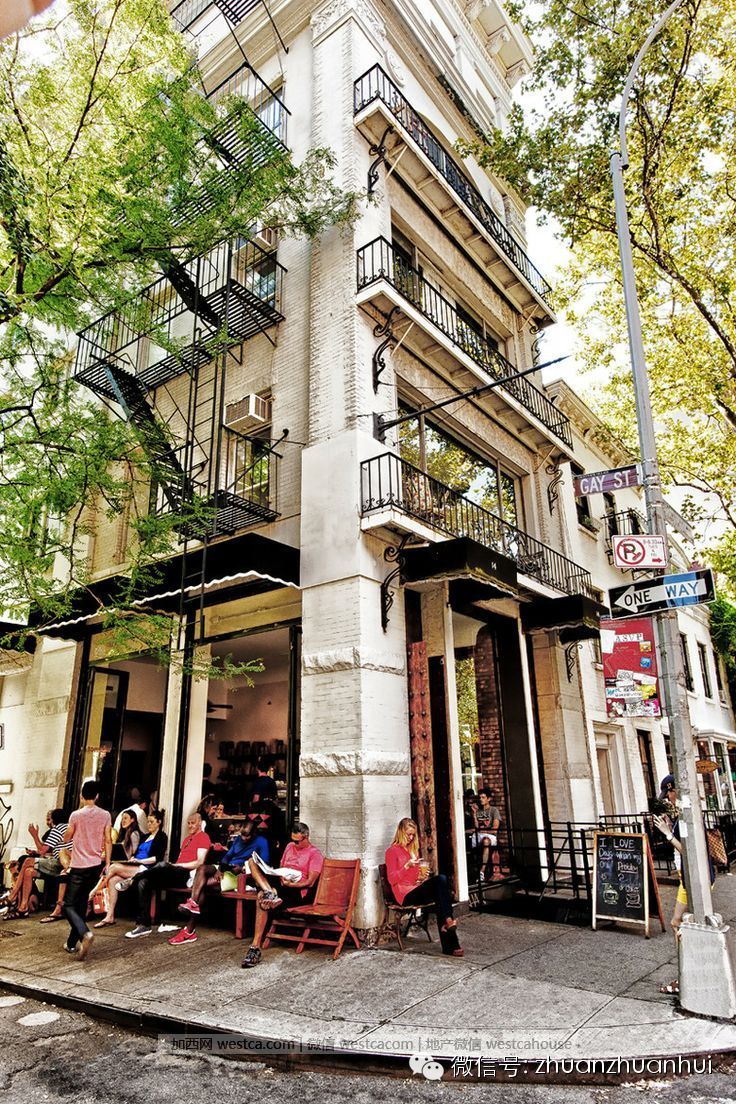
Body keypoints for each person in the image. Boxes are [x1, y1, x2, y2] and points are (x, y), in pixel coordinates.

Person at [653, 774, 715, 996]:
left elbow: (689, 851)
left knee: (680, 924)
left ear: (674, 790)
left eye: (668, 794)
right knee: (680, 923)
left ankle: (688, 974)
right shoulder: (685, 814)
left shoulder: (687, 815)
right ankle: (690, 973)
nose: (667, 799)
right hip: (689, 878)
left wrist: (668, 834)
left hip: (693, 879)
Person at [168, 818, 270, 946]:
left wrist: (243, 869)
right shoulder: (239, 839)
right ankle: (193, 904)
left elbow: (264, 865)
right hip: (226, 869)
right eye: (242, 835)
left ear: (254, 833)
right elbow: (227, 857)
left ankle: (189, 928)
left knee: (200, 885)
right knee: (202, 869)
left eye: (247, 836)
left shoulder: (261, 842)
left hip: (239, 875)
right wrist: (220, 869)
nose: (243, 838)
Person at [241, 821, 323, 969]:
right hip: (282, 883)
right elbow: (282, 867)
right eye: (293, 840)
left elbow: (310, 882)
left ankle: (254, 947)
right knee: (251, 861)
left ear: (306, 837)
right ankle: (269, 892)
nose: (294, 844)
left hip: (297, 890)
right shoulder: (290, 846)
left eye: (297, 841)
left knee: (261, 898)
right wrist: (279, 876)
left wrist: (291, 884)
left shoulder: (315, 854)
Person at [385, 817, 463, 957]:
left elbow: (414, 878)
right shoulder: (392, 851)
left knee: (440, 895)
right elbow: (392, 880)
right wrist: (406, 866)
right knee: (441, 881)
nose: (411, 838)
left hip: (415, 888)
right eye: (408, 834)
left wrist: (422, 877)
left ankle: (450, 942)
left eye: (413, 835)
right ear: (401, 833)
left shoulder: (413, 850)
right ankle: (449, 928)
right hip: (404, 895)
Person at [125, 811, 210, 939]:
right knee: (144, 882)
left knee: (162, 865)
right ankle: (144, 925)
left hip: (185, 874)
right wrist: (174, 865)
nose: (190, 826)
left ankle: (133, 879)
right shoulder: (187, 839)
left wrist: (177, 865)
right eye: (188, 823)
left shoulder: (203, 837)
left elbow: (200, 862)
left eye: (193, 823)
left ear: (200, 823)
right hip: (175, 872)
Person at [89, 810, 168, 927]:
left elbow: (157, 858)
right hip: (135, 865)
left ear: (159, 822)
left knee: (113, 867)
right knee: (113, 880)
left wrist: (140, 861)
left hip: (146, 868)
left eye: (152, 822)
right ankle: (110, 916)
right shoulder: (145, 836)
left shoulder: (162, 837)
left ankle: (95, 891)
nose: (149, 824)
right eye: (148, 822)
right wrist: (132, 858)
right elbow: (136, 853)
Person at [62, 781, 112, 960]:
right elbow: (108, 840)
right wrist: (107, 863)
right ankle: (71, 943)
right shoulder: (105, 815)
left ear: (81, 796)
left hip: (78, 865)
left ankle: (85, 933)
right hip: (95, 864)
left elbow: (67, 837)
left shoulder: (76, 815)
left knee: (68, 905)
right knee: (81, 904)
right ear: (97, 796)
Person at [1, 809, 68, 919]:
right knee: (28, 871)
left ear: (54, 819)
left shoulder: (58, 829)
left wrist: (34, 835)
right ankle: (23, 908)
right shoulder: (67, 828)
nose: (49, 821)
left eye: (50, 819)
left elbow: (42, 850)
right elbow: (50, 850)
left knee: (27, 861)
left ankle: (12, 895)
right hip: (60, 863)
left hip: (60, 865)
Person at [473, 788, 502, 881]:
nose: (481, 799)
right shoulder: (479, 811)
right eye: (480, 797)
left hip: (490, 836)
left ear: (488, 799)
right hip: (479, 835)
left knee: (486, 841)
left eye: (483, 797)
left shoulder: (494, 810)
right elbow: (477, 827)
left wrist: (484, 831)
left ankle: (482, 871)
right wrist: (474, 814)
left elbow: (495, 829)